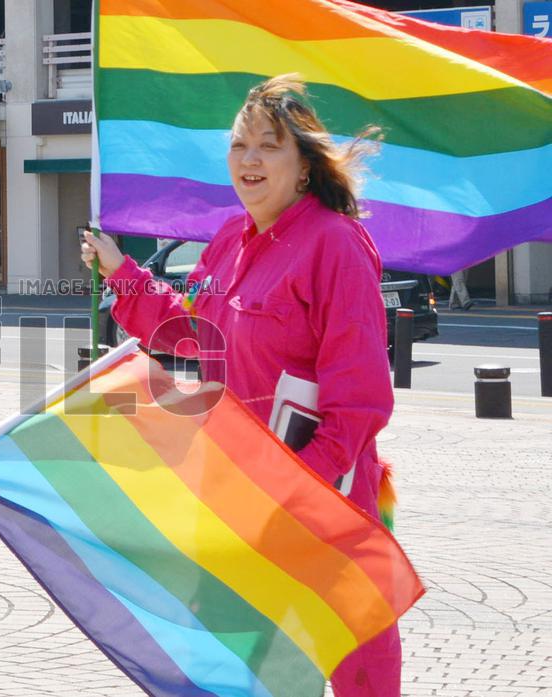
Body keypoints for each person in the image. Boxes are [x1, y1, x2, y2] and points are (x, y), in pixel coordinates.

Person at [82, 75, 400, 697]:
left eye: (269, 145)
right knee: (245, 670)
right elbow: (191, 332)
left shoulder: (335, 245)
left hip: (318, 500)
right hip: (233, 492)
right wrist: (121, 272)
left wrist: (297, 489)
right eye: (239, 145)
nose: (249, 159)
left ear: (305, 166)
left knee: (354, 664)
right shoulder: (229, 240)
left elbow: (361, 397)